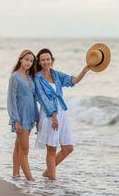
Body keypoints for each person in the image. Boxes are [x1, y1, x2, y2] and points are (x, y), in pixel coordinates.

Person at [34, 48, 90, 180]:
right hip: (49, 115)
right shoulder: (37, 78)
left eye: (48, 59)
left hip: (62, 113)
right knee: (51, 149)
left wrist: (85, 70)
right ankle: (52, 184)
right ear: (39, 62)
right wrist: (53, 116)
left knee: (68, 147)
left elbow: (73, 81)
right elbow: (43, 98)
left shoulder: (56, 74)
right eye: (43, 60)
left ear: (52, 60)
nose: (46, 62)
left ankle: (48, 172)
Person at [7, 49, 39, 181]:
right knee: (25, 150)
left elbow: (33, 99)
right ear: (20, 59)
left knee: (19, 146)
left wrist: (37, 118)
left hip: (30, 116)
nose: (29, 63)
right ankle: (30, 180)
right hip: (20, 117)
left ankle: (16, 174)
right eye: (26, 59)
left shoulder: (30, 77)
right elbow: (11, 100)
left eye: (31, 61)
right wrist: (16, 120)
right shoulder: (14, 77)